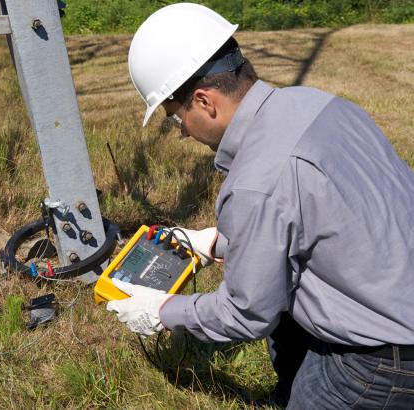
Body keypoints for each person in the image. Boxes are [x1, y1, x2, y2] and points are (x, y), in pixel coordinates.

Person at [105, 3, 414, 408]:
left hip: (384, 361)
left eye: (175, 119)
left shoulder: (255, 183)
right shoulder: (320, 104)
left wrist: (163, 311)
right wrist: (219, 242)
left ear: (204, 101)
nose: (180, 134)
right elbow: (326, 214)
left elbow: (246, 314)